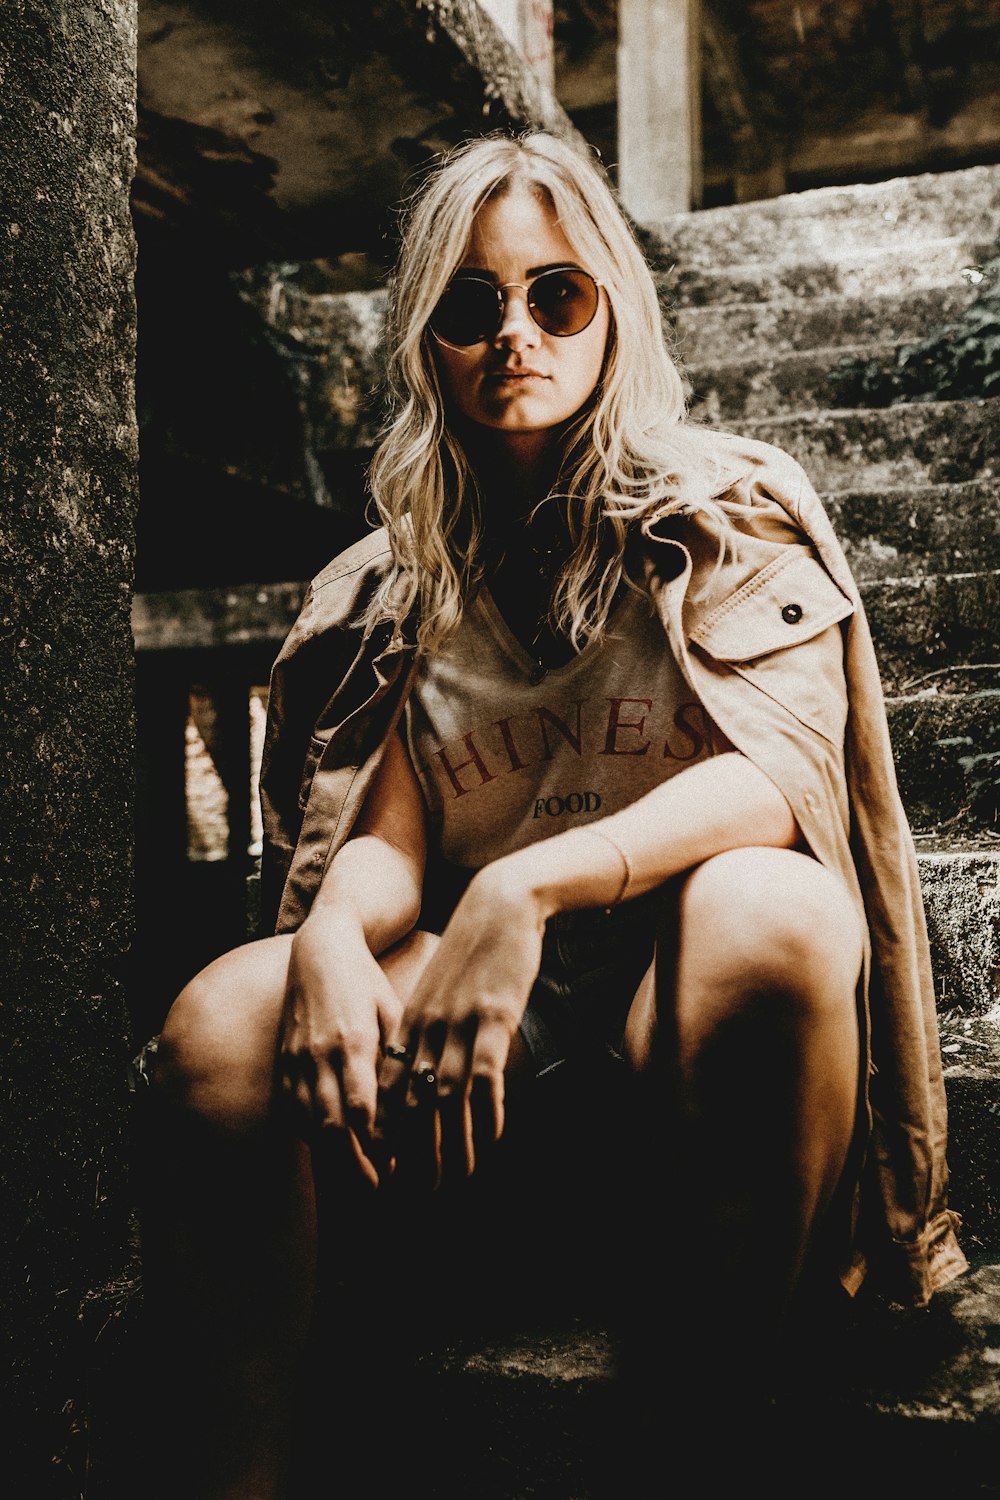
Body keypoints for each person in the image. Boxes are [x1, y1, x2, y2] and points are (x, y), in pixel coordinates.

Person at [138, 130, 967, 1499]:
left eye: (554, 294)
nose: (513, 332)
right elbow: (391, 833)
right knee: (226, 1018)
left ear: (611, 310)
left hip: (700, 1068)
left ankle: (703, 1435)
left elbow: (784, 770)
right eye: (470, 306)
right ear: (428, 341)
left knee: (774, 907)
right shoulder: (393, 583)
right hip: (480, 1089)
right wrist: (340, 933)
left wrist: (534, 886)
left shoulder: (727, 511)